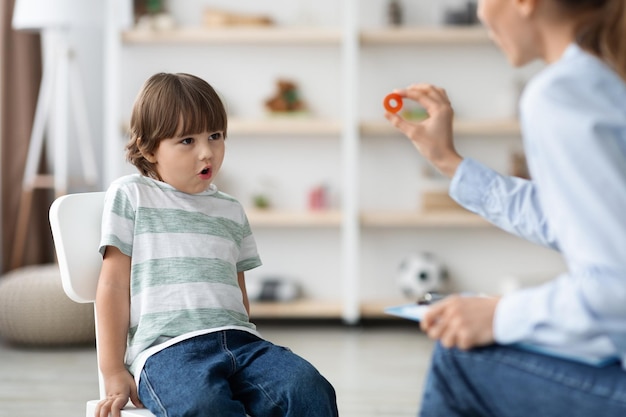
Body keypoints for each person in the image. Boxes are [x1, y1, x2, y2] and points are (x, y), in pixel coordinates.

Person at [385, 0, 626, 416]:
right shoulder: (604, 77)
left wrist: (499, 315)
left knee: (459, 362)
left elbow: (614, 287)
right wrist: (447, 160)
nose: (479, 13)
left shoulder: (561, 94)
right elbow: (571, 218)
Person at [95, 72, 338, 417]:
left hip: (241, 342)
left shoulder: (231, 209)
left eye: (215, 136)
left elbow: (237, 289)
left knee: (308, 387)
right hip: (167, 350)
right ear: (149, 148)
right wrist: (112, 369)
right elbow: (113, 284)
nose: (207, 152)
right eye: (187, 141)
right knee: (204, 406)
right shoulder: (131, 195)